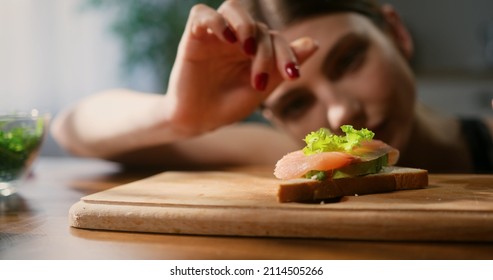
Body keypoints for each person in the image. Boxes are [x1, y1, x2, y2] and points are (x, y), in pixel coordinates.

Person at [51, 0, 493, 173]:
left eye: (349, 61)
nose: (341, 114)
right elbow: (71, 126)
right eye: (297, 103)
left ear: (397, 33)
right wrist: (176, 115)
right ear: (271, 117)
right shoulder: (272, 155)